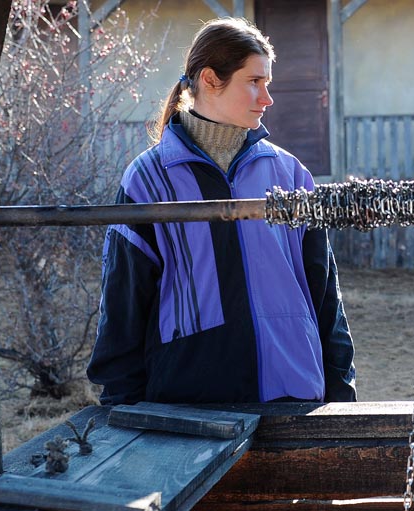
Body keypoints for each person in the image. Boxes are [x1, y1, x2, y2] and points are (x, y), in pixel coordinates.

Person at [88, 18, 357, 405]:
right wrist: (123, 404)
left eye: (267, 83)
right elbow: (123, 305)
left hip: (295, 399)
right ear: (211, 79)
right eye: (254, 82)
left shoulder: (291, 174)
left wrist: (340, 392)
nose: (267, 98)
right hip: (190, 407)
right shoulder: (148, 180)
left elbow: (325, 297)